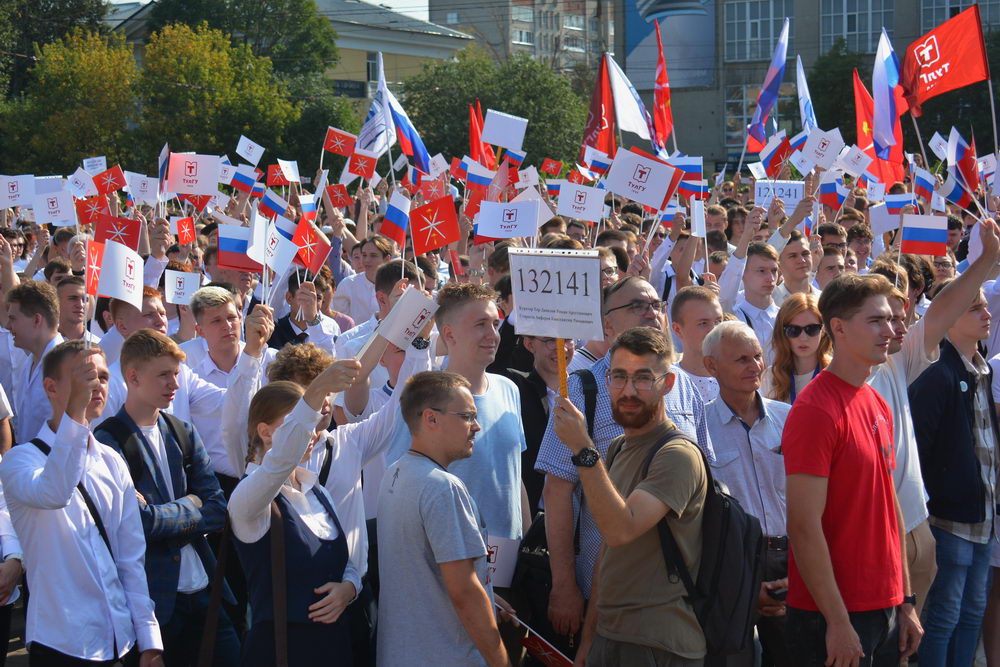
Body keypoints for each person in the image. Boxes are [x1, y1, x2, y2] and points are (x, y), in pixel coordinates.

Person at [534, 276, 712, 656]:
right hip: (603, 595)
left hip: (672, 602)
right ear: (606, 325)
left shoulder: (686, 388)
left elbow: (709, 485)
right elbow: (558, 490)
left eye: (655, 305)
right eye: (636, 305)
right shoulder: (582, 388)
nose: (650, 312)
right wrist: (564, 583)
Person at [783, 273, 922, 665]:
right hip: (831, 618)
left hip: (883, 607)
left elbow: (889, 505)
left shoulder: (876, 401)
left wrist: (905, 599)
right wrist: (838, 621)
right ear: (839, 328)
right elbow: (804, 525)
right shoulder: (814, 410)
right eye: (876, 320)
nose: (891, 330)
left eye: (891, 320)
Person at [0, 341, 165, 665]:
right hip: (60, 641)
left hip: (122, 640)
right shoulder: (20, 461)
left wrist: (149, 641)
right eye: (84, 376)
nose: (96, 385)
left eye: (102, 377)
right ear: (51, 387)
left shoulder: (112, 462)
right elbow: (54, 492)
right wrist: (75, 412)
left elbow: (130, 558)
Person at [94, 329, 240, 666]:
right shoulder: (107, 442)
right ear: (132, 376)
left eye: (176, 374)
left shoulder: (182, 431)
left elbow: (217, 508)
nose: (173, 384)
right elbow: (136, 524)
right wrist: (190, 505)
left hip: (205, 591)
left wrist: (163, 514)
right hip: (153, 603)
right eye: (163, 374)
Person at [229, 361, 364, 666]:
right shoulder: (249, 497)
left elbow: (347, 562)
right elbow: (279, 462)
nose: (312, 432)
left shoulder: (317, 490)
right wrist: (316, 390)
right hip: (281, 653)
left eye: (313, 423)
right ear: (265, 432)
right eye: (295, 424)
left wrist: (349, 588)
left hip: (333, 649)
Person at [377, 370, 511, 666]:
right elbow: (464, 592)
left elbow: (424, 572)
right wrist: (501, 661)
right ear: (431, 418)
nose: (476, 426)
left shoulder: (395, 473)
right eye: (466, 416)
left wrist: (487, 596)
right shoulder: (442, 488)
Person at [909, 276, 1000, 661]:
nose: (986, 313)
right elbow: (921, 451)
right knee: (944, 615)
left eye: (984, 305)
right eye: (974, 307)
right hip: (950, 520)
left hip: (982, 517)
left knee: (973, 611)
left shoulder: (983, 370)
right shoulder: (937, 374)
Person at [702, 321, 793, 666]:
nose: (754, 366)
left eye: (757, 356)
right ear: (711, 366)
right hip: (730, 563)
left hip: (789, 558)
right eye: (741, 359)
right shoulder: (699, 427)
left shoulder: (788, 418)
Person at [501, 335, 575, 515]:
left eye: (567, 340)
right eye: (550, 340)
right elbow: (495, 362)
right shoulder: (516, 387)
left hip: (579, 514)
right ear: (529, 343)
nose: (561, 348)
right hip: (532, 513)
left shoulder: (587, 390)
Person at [719, 208, 780, 363]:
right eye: (761, 271)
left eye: (774, 271)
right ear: (743, 274)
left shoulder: (786, 317)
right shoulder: (734, 316)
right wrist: (746, 235)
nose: (770, 278)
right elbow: (724, 296)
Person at [6, 279, 63, 442]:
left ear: (37, 320)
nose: (9, 326)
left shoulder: (66, 367)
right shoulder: (29, 362)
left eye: (13, 318)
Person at [760, 294, 830, 404]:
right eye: (793, 330)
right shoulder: (770, 377)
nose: (803, 338)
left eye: (811, 329)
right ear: (782, 333)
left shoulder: (837, 372)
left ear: (823, 330)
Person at [669, 286, 724, 402]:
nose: (714, 330)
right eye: (703, 323)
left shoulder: (738, 376)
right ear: (678, 330)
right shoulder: (667, 383)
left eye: (718, 321)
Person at [267, 273, 340, 351]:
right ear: (289, 298)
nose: (311, 303)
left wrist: (314, 323)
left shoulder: (330, 328)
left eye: (317, 298)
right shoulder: (273, 332)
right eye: (304, 296)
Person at [331, 235, 393, 325]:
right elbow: (341, 323)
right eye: (364, 255)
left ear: (387, 259)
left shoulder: (396, 285)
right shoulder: (347, 284)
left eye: (373, 255)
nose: (367, 260)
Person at [772, 230, 818, 306]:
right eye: (793, 256)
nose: (802, 260)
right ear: (778, 263)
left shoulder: (824, 299)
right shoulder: (772, 302)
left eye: (805, 253)